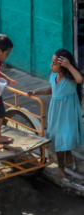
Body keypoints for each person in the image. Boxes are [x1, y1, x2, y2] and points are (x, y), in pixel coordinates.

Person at [27, 49, 84, 179]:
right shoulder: (53, 76)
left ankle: (67, 156)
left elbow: (80, 79)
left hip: (68, 111)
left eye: (54, 63)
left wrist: (69, 65)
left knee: (67, 134)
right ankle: (61, 167)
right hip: (56, 111)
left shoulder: (70, 78)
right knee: (59, 137)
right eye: (51, 62)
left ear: (63, 65)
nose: (51, 65)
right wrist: (36, 92)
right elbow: (51, 90)